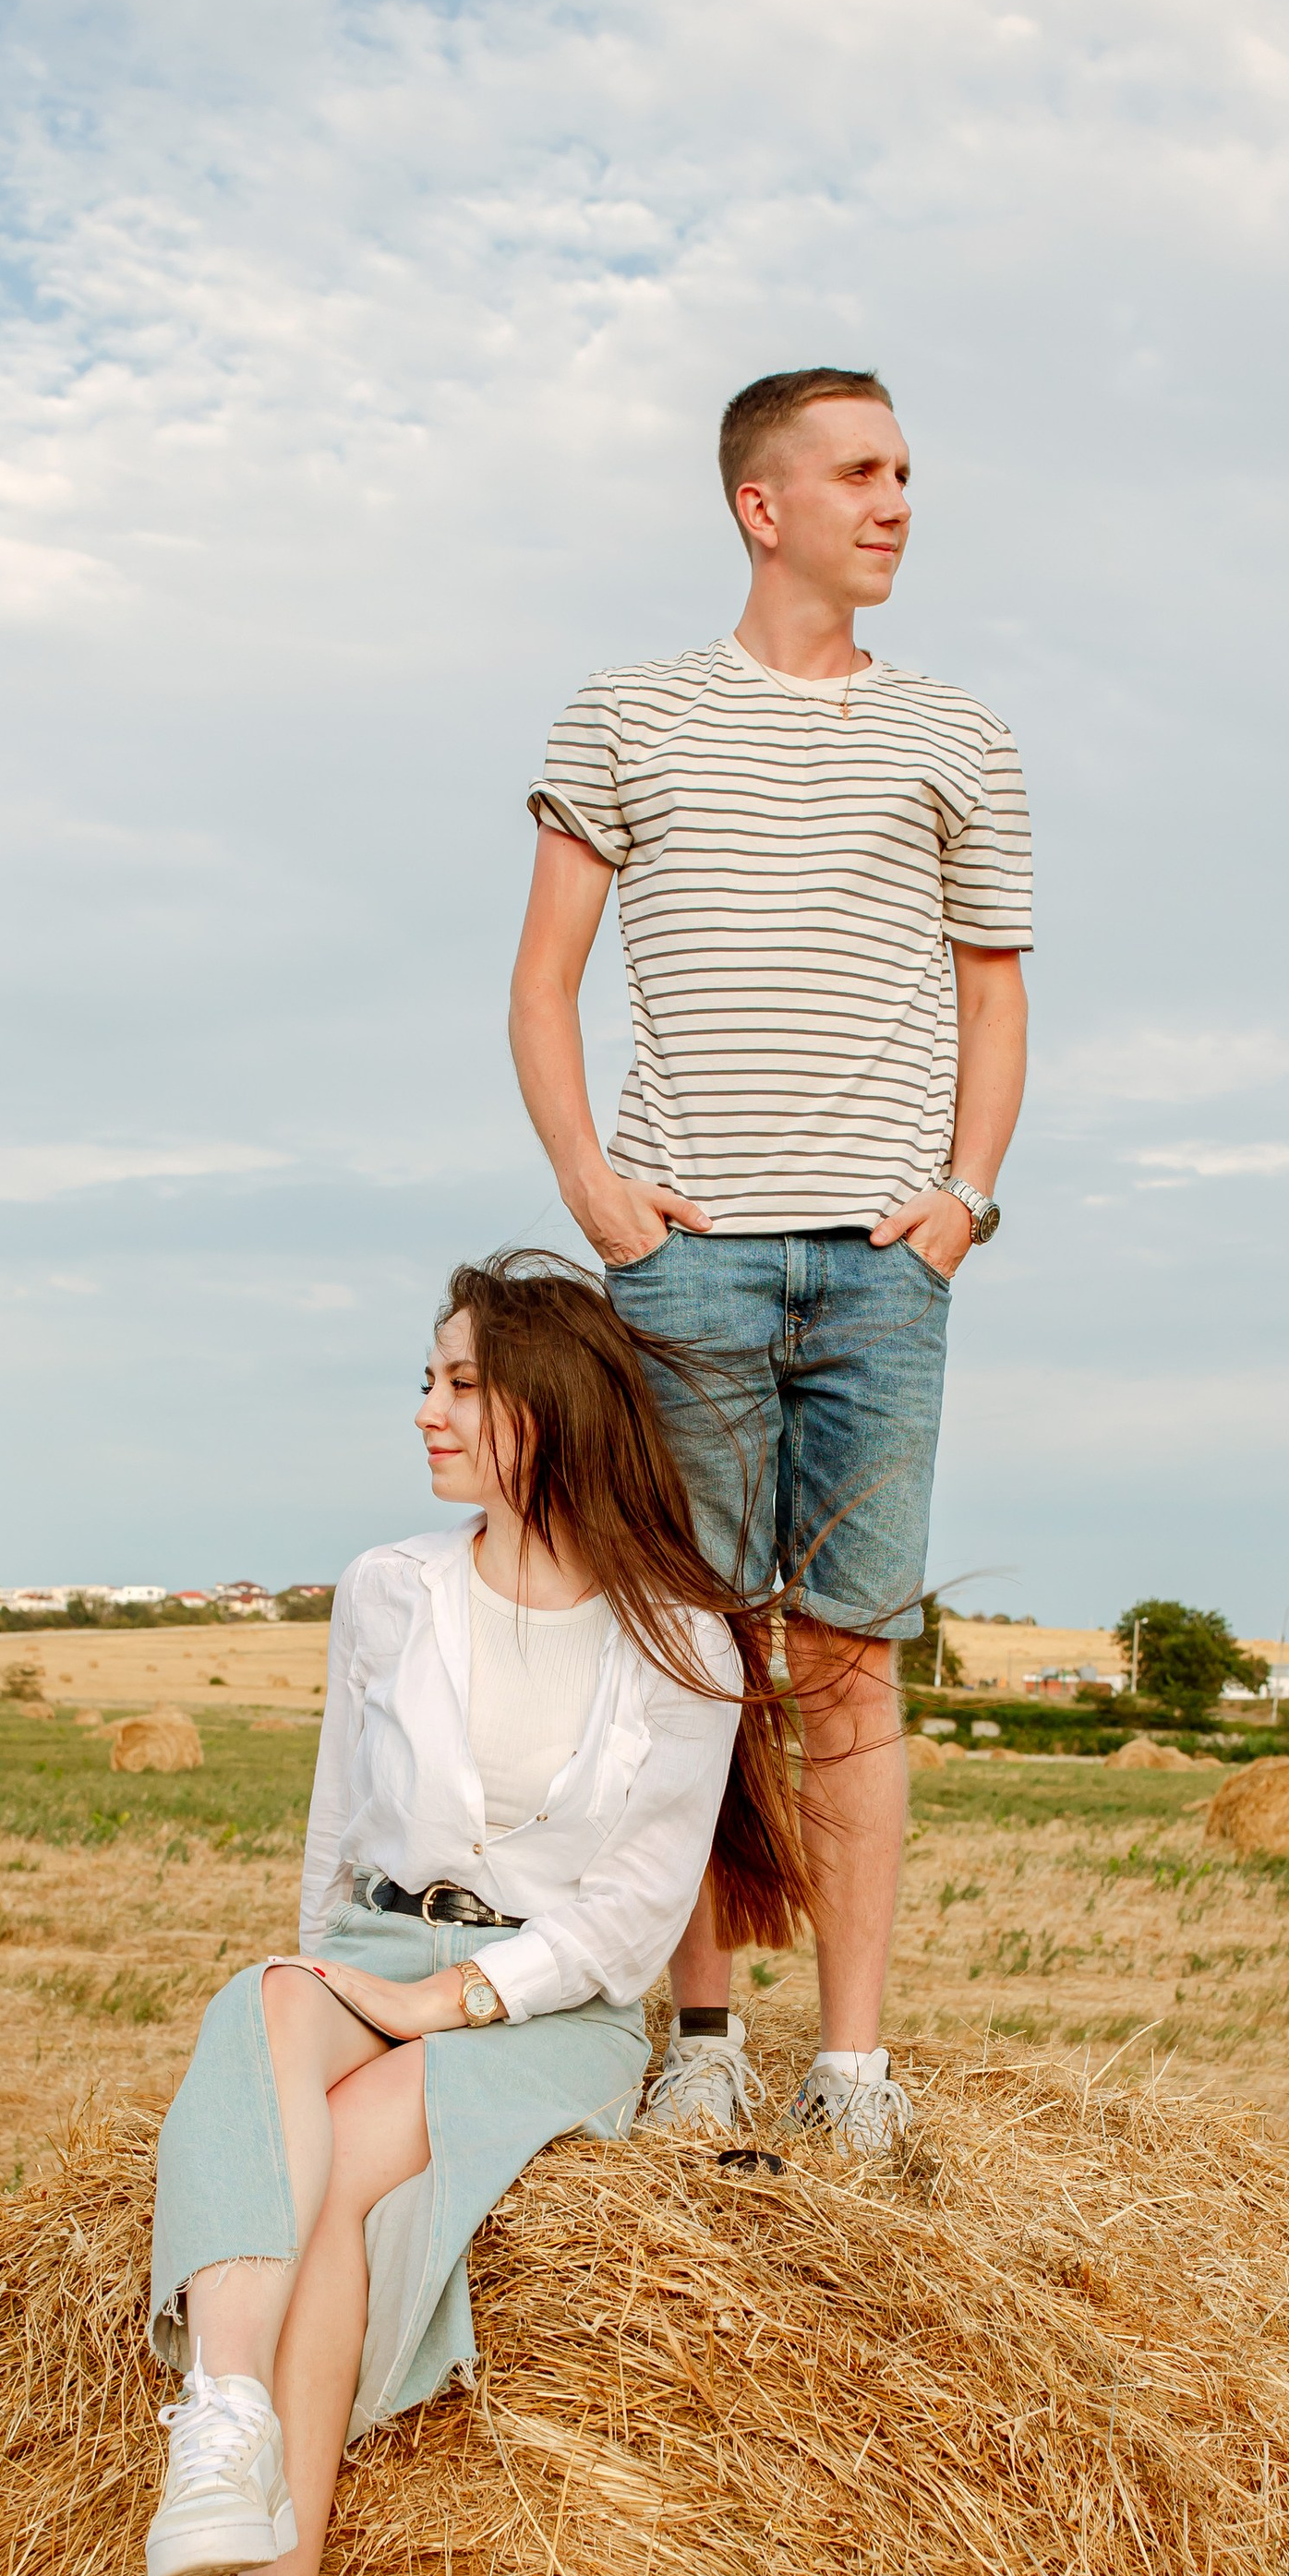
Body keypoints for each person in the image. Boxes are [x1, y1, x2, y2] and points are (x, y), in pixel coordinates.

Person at [115, 1252, 809, 2576]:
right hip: (374, 1950)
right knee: (260, 2004)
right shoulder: (389, 1589)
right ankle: (226, 2424)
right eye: (427, 1381)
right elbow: (335, 1831)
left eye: (460, 1383)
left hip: (547, 2009)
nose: (426, 1410)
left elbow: (634, 1917)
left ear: (548, 1409)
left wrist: (464, 2002)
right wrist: (335, 1987)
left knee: (337, 2198)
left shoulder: (687, 1642)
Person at [509, 364, 1031, 2155]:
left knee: (850, 1666)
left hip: (885, 1271)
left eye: (905, 473)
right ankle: (705, 2038)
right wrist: (595, 1192)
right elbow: (543, 980)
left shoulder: (959, 737)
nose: (897, 503)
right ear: (762, 504)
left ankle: (854, 2069)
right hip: (690, 1265)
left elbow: (992, 994)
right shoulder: (625, 716)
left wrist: (963, 1199)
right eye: (861, 472)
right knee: (697, 1664)